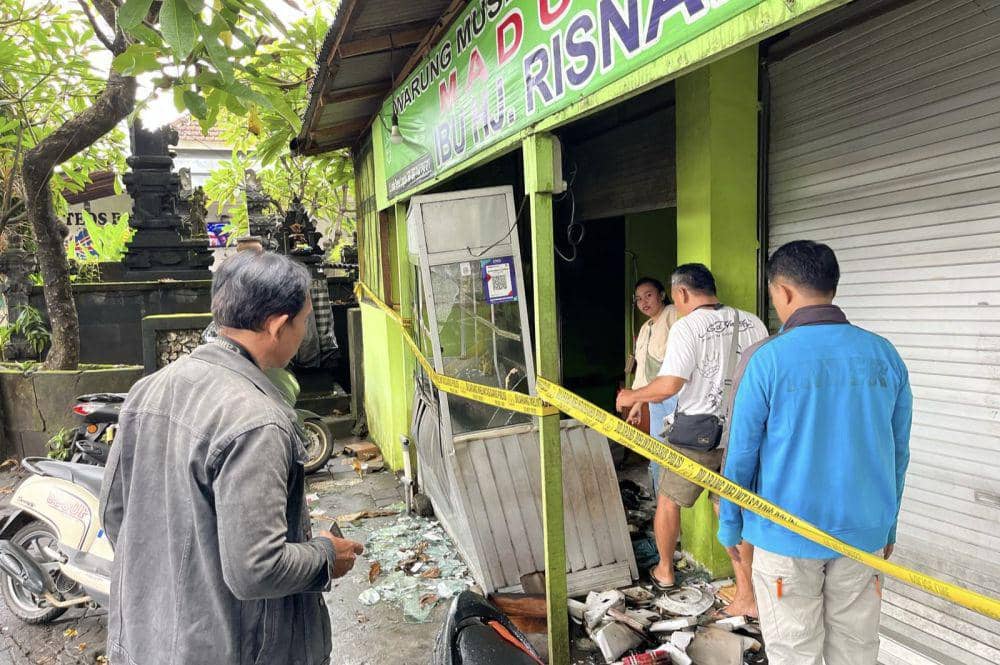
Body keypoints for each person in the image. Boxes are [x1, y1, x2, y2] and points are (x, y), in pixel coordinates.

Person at [100, 251, 363, 665]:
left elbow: (116, 515)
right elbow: (257, 568)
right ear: (278, 325)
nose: (305, 332)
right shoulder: (258, 421)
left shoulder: (147, 390)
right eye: (305, 320)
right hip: (233, 650)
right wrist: (326, 555)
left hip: (145, 638)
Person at [717, 241, 911, 665]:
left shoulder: (765, 360)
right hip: (863, 537)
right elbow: (898, 452)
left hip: (785, 537)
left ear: (782, 292)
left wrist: (731, 527)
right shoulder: (885, 355)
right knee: (856, 653)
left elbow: (741, 458)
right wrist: (888, 526)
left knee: (794, 653)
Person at [616, 263, 767, 618]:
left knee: (668, 501)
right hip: (742, 437)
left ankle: (665, 571)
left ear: (681, 293)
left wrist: (630, 397)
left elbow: (669, 385)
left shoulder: (687, 327)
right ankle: (747, 594)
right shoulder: (753, 323)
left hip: (695, 438)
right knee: (730, 511)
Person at [626, 277, 679, 492]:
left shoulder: (673, 315)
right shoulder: (646, 327)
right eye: (639, 299)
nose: (644, 302)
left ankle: (671, 505)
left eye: (648, 295)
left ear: (662, 295)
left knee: (676, 455)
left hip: (676, 399)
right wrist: (638, 405)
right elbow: (644, 375)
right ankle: (661, 503)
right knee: (657, 455)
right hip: (657, 402)